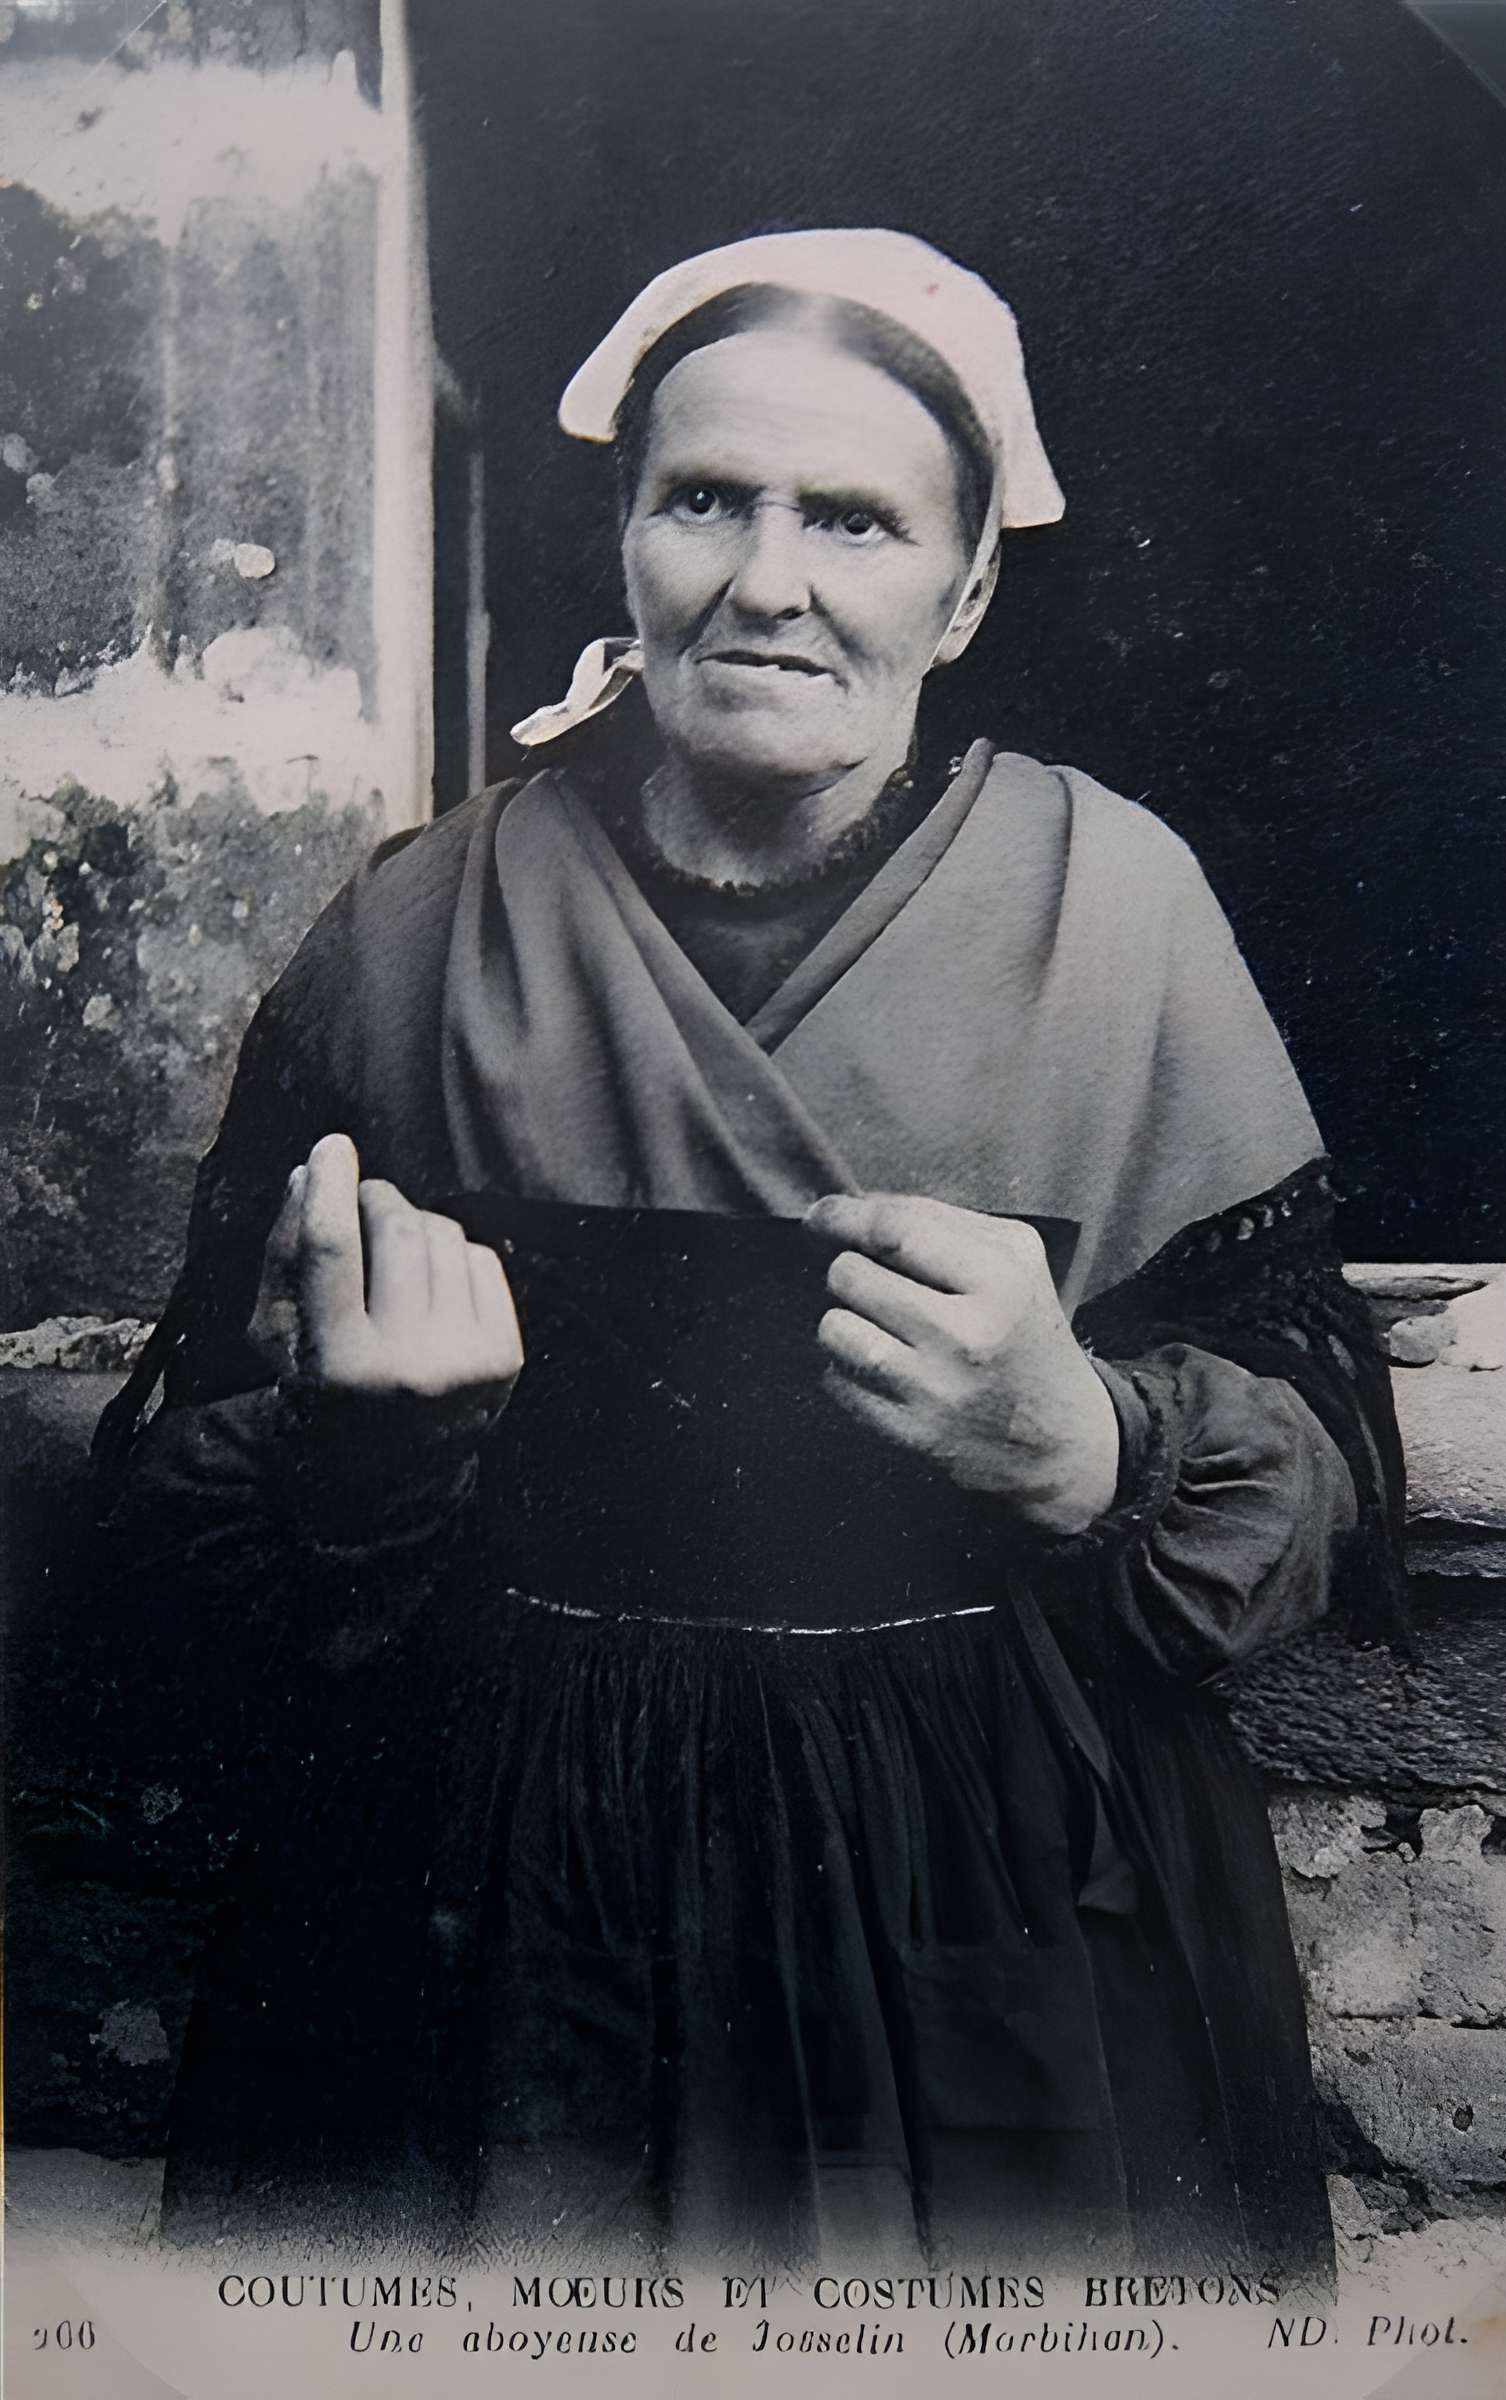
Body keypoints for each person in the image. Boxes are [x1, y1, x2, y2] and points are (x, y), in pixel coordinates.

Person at [97, 230, 1403, 2279]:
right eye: (705, 498)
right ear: (626, 533)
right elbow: (173, 1526)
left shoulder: (1115, 912)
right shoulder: (413, 935)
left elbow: (1330, 1449)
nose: (768, 579)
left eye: (856, 520)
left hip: (995, 1908)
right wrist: (352, 1463)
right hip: (495, 1913)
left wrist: (1091, 1445)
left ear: (963, 585)